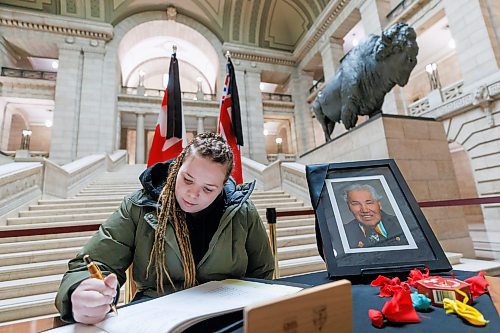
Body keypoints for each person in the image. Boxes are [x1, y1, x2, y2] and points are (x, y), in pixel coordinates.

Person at [55, 133, 274, 324]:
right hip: (156, 315)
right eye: (187, 180)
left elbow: (262, 273)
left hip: (226, 317)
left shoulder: (243, 211)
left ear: (224, 186)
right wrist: (81, 291)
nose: (193, 194)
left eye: (208, 189)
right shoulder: (138, 206)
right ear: (177, 167)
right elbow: (96, 262)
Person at [343, 184, 408, 249]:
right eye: (356, 204)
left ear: (379, 204)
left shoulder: (404, 224)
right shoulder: (343, 233)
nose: (365, 210)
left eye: (369, 203)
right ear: (349, 207)